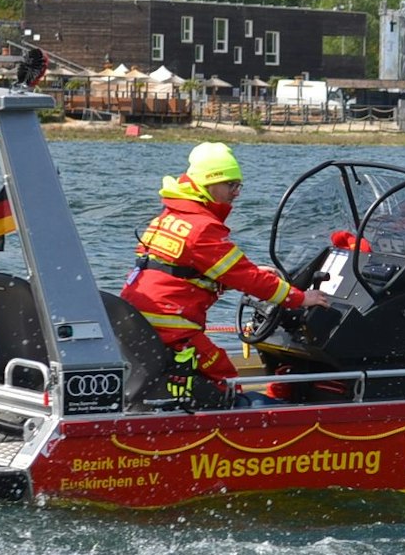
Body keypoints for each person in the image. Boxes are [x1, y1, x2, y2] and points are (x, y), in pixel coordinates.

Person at [121, 142, 317, 387]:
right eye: (231, 185)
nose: (236, 192)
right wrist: (300, 299)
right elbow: (244, 276)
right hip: (171, 326)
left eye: (238, 185)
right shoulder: (202, 227)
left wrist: (239, 279)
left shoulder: (170, 217)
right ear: (208, 184)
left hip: (140, 322)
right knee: (223, 377)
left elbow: (183, 273)